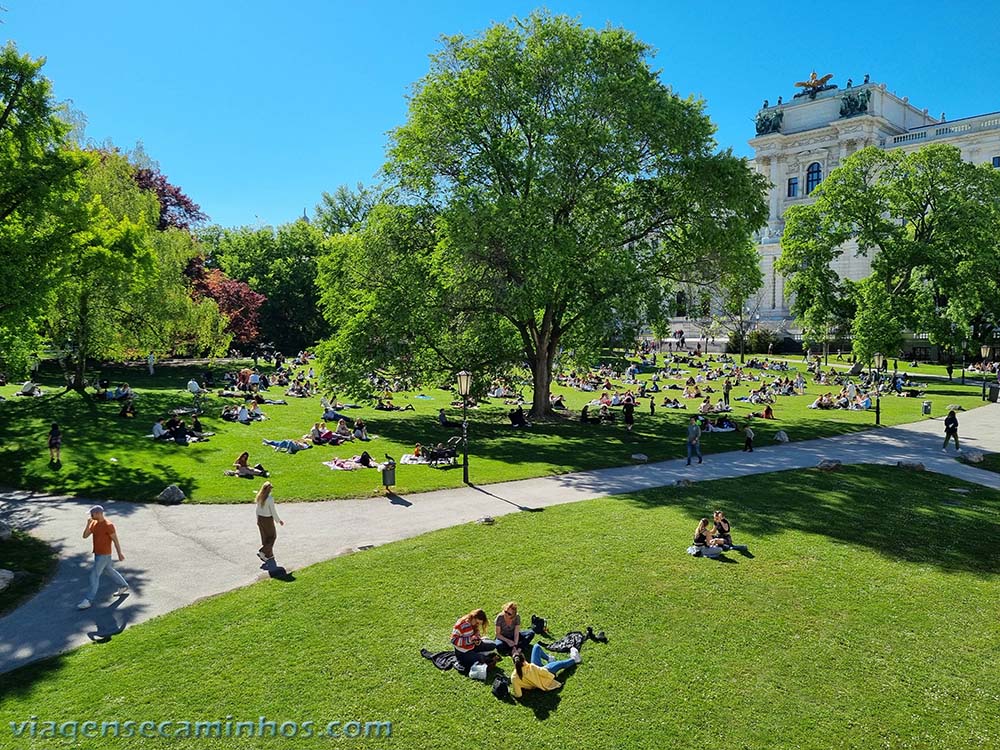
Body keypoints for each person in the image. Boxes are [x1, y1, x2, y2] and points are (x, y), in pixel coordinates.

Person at [77, 505, 128, 609]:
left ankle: (88, 600)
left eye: (92, 514)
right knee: (109, 570)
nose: (91, 516)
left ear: (98, 513)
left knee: (94, 576)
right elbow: (85, 536)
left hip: (104, 554)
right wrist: (88, 524)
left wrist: (119, 553)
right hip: (97, 553)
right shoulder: (94, 524)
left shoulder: (108, 525)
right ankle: (124, 586)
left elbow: (115, 540)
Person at [510, 644, 581, 698]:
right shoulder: (532, 667)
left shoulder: (514, 677)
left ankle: (549, 658)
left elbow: (519, 695)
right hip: (543, 678)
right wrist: (552, 674)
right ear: (524, 660)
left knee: (536, 647)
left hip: (537, 675)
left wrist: (511, 693)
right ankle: (574, 659)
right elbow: (545, 673)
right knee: (560, 664)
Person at [255, 481, 283, 562]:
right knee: (272, 536)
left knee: (265, 537)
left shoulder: (259, 496)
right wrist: (279, 520)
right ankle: (263, 551)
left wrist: (257, 519)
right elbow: (273, 511)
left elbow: (257, 510)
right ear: (269, 489)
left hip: (260, 519)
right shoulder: (270, 499)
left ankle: (269, 554)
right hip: (267, 520)